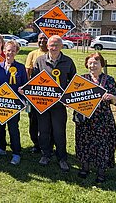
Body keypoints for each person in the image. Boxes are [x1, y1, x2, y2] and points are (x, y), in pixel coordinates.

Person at [74, 52, 116, 183]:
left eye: (96, 63)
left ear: (101, 64)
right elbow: (72, 98)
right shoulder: (81, 79)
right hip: (85, 119)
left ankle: (101, 171)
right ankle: (85, 168)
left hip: (103, 119)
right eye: (90, 63)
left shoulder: (109, 79)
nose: (93, 65)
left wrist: (111, 97)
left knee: (102, 144)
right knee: (84, 142)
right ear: (86, 65)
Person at [32, 35, 76, 171]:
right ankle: (46, 154)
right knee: (43, 131)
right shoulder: (40, 61)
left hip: (59, 105)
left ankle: (62, 158)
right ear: (47, 46)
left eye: (57, 44)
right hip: (43, 104)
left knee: (59, 132)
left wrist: (68, 98)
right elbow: (33, 81)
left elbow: (73, 83)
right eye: (51, 44)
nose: (54, 47)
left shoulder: (68, 61)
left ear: (62, 46)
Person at [0, 40, 27, 165]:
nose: (10, 53)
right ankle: (1, 148)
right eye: (8, 50)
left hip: (14, 104)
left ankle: (16, 153)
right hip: (0, 102)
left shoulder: (21, 68)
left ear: (16, 52)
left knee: (13, 127)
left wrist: (23, 96)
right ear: (4, 51)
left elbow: (25, 85)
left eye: (12, 50)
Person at [25, 33, 49, 153]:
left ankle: (48, 143)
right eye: (40, 38)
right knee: (33, 119)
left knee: (47, 120)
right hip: (34, 94)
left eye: (45, 38)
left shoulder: (53, 53)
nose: (42, 41)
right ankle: (36, 143)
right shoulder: (32, 54)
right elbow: (27, 73)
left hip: (48, 94)